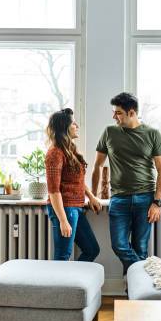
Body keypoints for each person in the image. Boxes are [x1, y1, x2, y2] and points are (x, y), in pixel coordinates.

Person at [92, 92, 161, 274]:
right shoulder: (109, 132)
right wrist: (93, 196)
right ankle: (145, 275)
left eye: (118, 113)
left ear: (131, 113)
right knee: (119, 245)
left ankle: (134, 296)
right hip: (119, 199)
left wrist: (157, 202)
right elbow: (98, 165)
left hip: (145, 199)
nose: (114, 116)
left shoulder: (152, 134)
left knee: (140, 248)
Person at [45, 108, 101, 261]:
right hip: (65, 209)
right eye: (73, 123)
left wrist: (91, 197)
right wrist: (63, 220)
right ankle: (59, 285)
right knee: (63, 256)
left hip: (76, 208)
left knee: (92, 249)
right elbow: (53, 191)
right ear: (65, 128)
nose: (77, 125)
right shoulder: (55, 153)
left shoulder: (70, 150)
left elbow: (78, 181)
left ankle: (75, 283)